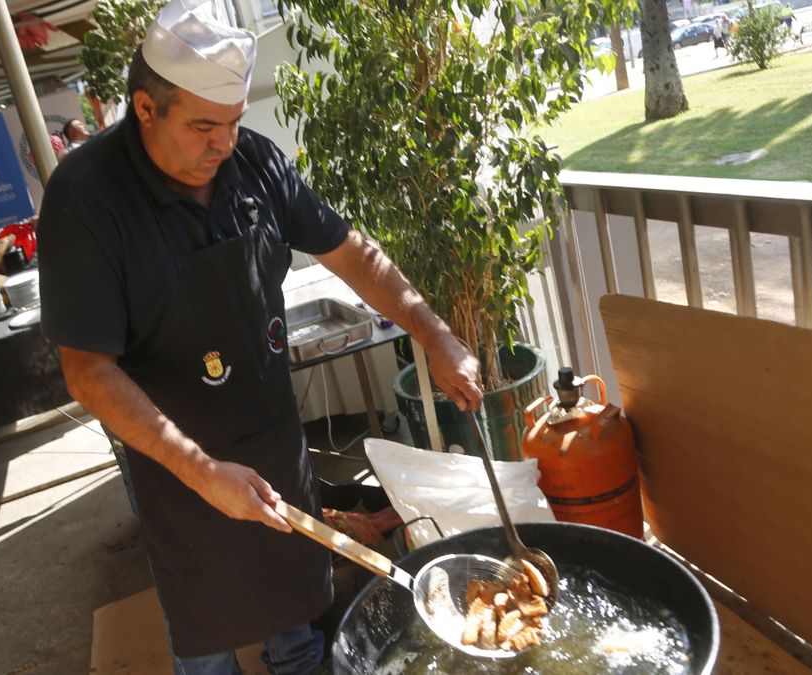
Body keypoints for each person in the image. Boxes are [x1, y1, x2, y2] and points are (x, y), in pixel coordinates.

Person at [36, 0, 481, 672]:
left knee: (294, 606)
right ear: (145, 109)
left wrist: (435, 332)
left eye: (235, 124)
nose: (223, 144)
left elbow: (352, 252)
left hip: (271, 433)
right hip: (174, 464)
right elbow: (87, 371)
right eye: (204, 126)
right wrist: (203, 471)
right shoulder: (87, 197)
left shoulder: (254, 163)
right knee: (208, 632)